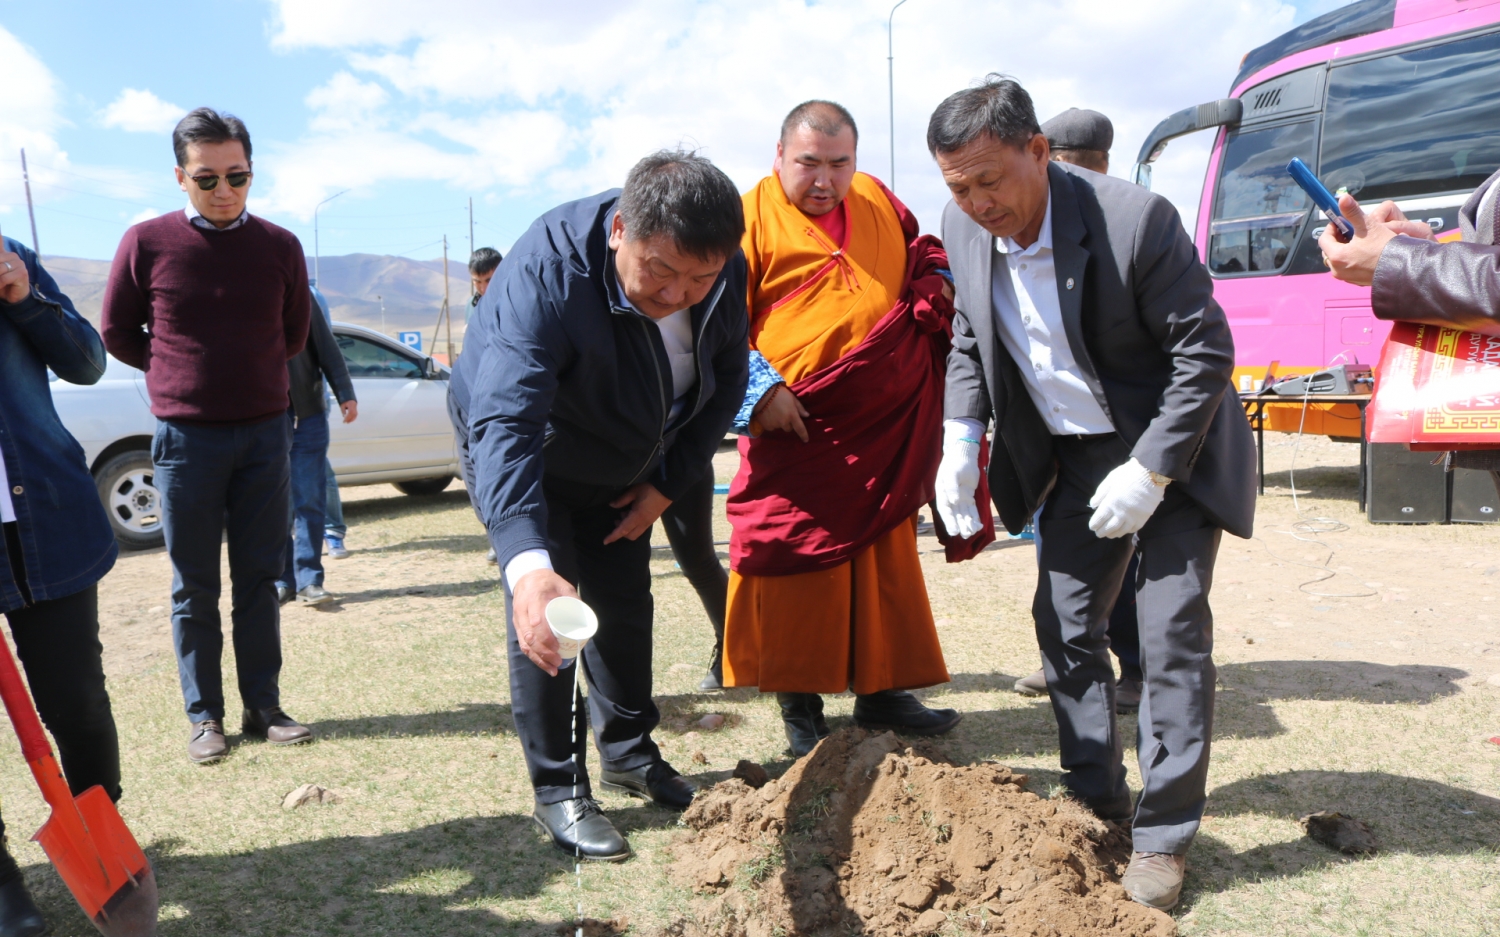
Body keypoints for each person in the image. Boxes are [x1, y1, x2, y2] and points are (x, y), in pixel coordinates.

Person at [929, 76, 1255, 911]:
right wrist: (959, 439)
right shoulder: (960, 231)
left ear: (1038, 151)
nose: (976, 203)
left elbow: (1205, 354)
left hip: (1168, 451)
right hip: (1072, 458)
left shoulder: (1132, 220)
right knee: (1066, 623)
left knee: (1171, 634)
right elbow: (970, 336)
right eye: (957, 187)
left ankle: (1164, 838)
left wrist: (1150, 470)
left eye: (989, 179)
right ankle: (1096, 795)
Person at [451, 150, 749, 861]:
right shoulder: (547, 274)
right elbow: (506, 419)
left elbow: (728, 376)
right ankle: (559, 786)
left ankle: (630, 753)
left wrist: (669, 483)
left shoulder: (719, 267)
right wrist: (525, 563)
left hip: (627, 461)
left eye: (700, 278)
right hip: (534, 454)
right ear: (620, 229)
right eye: (661, 271)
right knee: (552, 613)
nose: (679, 293)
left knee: (623, 603)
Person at [722, 100, 963, 757]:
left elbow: (923, 256)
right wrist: (757, 390)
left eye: (839, 164)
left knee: (883, 560)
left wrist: (936, 283)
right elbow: (710, 321)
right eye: (808, 164)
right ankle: (800, 705)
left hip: (879, 420)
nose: (824, 180)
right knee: (794, 561)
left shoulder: (881, 202)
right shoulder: (743, 219)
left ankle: (883, 689)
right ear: (779, 157)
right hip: (794, 429)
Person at [102, 108, 315, 765]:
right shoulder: (145, 243)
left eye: (237, 175)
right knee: (193, 585)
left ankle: (264, 706)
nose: (224, 189)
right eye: (207, 178)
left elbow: (295, 335)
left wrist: (246, 383)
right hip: (184, 441)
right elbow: (116, 330)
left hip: (263, 434)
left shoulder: (281, 246)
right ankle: (205, 718)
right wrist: (176, 375)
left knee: (259, 577)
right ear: (180, 176)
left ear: (251, 173)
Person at [0, 236, 125, 937]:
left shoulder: (10, 255)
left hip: (46, 516)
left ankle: (104, 832)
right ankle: (2, 882)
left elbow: (86, 360)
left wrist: (26, 297)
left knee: (77, 700)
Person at [1013, 107, 1143, 713]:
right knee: (1060, 553)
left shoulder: (1131, 221)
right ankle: (1067, 657)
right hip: (1056, 432)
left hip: (1125, 431)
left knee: (1129, 549)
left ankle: (1136, 667)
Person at [276, 282, 358, 606]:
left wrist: (345, 393)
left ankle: (310, 580)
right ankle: (283, 580)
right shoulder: (241, 289)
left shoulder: (299, 292)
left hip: (308, 412)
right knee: (275, 504)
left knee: (309, 498)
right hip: (264, 416)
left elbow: (325, 345)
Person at [466, 247, 505, 565]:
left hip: (505, 398)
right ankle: (496, 536)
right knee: (480, 473)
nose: (482, 288)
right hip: (477, 399)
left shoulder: (514, 299)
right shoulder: (473, 307)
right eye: (477, 282)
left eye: (488, 280)